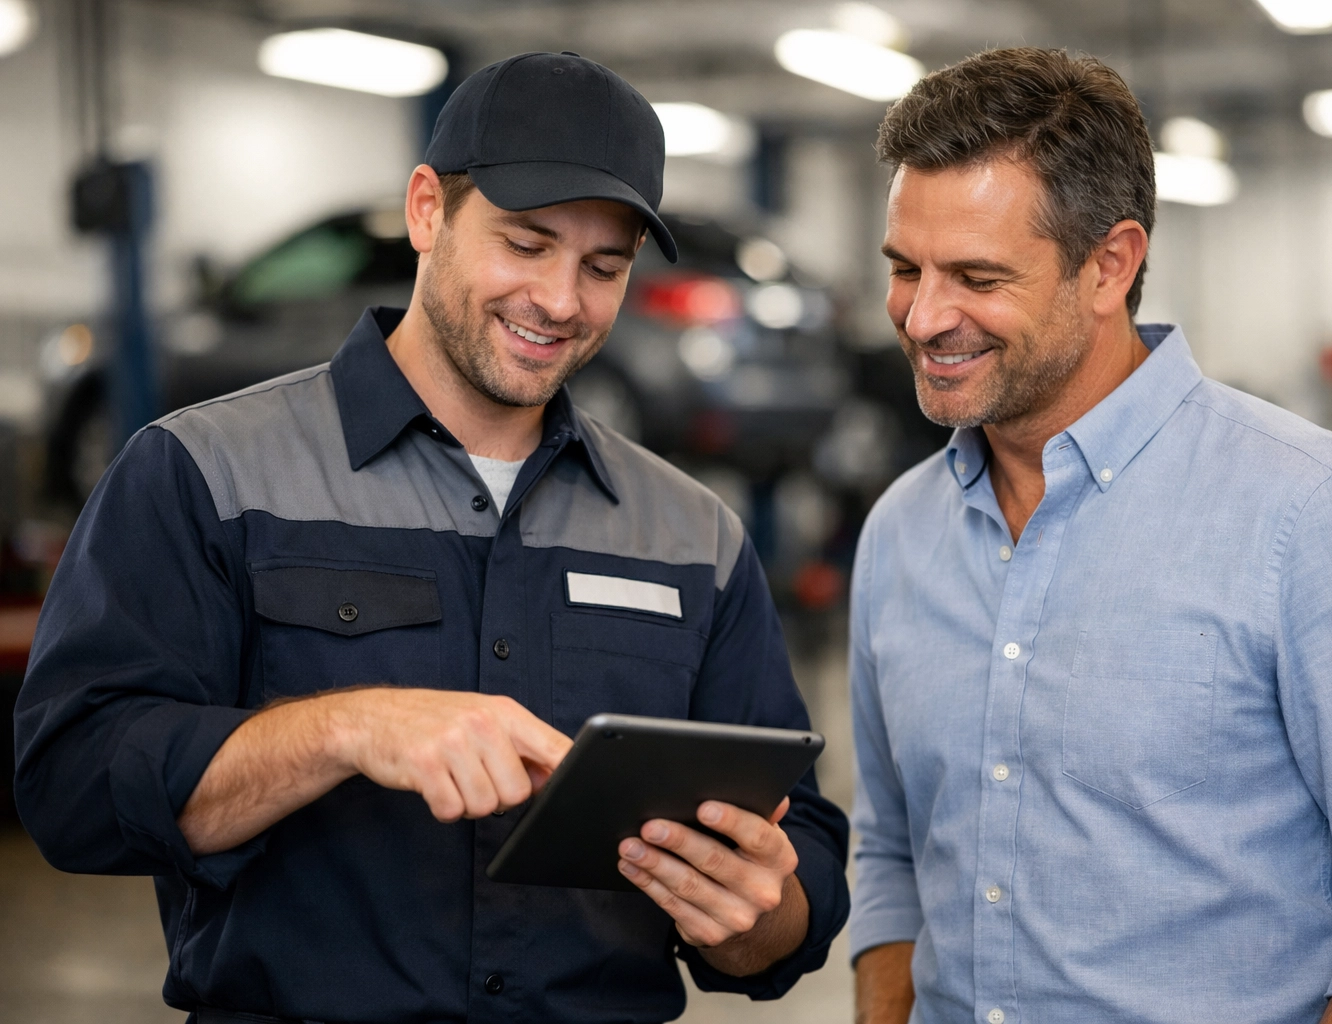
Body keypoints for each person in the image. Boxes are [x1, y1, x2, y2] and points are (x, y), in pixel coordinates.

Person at [15, 52, 848, 1024]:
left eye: (604, 266)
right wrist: (347, 726)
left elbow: (805, 855)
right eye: (527, 244)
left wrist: (756, 916)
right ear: (426, 211)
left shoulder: (692, 533)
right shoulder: (202, 473)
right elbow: (74, 786)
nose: (562, 301)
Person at [848, 46, 1332, 1024]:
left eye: (975, 275)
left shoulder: (1315, 513)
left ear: (1109, 266)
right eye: (905, 268)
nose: (921, 317)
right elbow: (893, 849)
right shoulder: (899, 533)